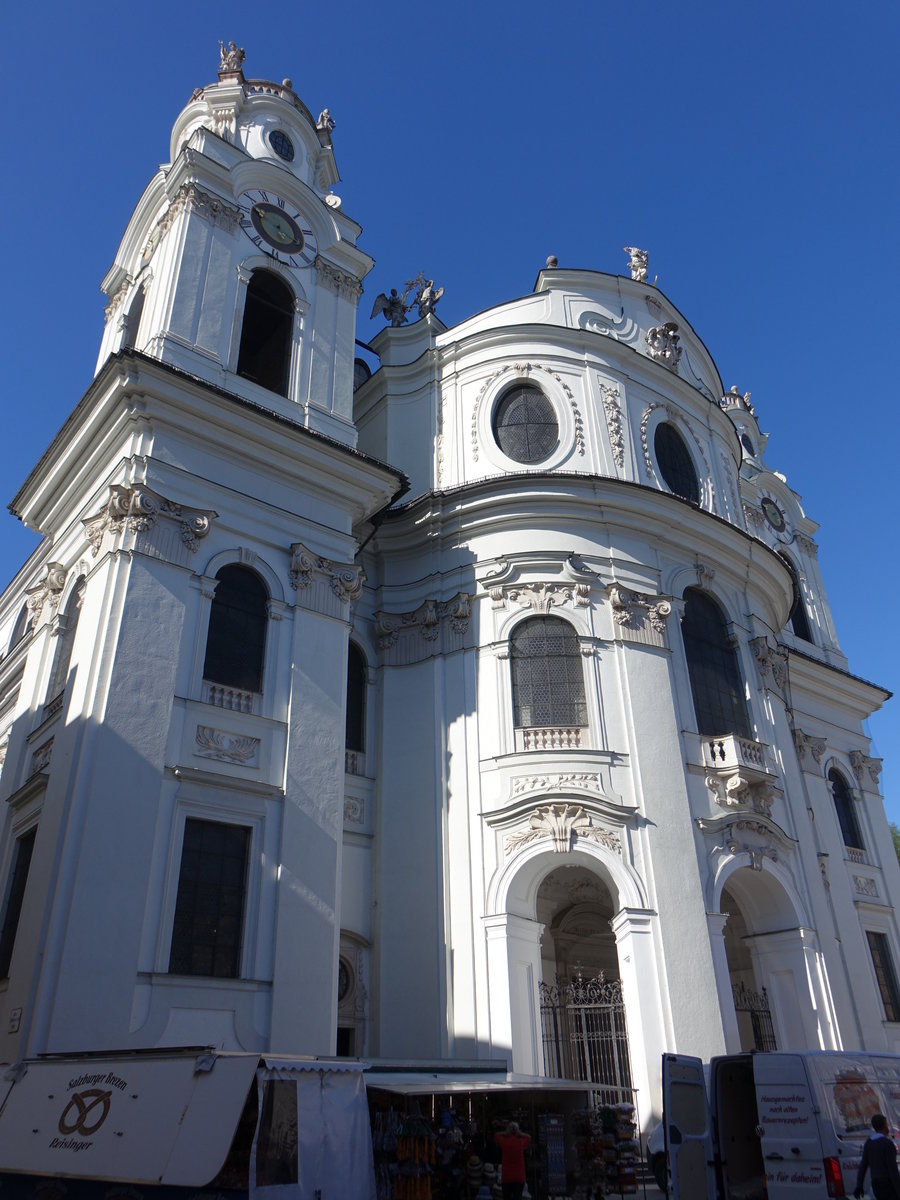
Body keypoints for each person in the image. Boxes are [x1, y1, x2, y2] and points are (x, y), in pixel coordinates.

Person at [855, 1113, 900, 1199]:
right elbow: (893, 1170)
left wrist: (859, 1186)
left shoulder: (869, 1143)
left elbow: (863, 1166)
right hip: (888, 1185)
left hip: (876, 1185)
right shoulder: (888, 1144)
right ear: (886, 1127)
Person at [495, 1121, 530, 1200]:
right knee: (518, 1197)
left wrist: (506, 1132)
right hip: (519, 1177)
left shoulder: (504, 1142)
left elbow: (496, 1135)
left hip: (507, 1177)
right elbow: (528, 1137)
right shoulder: (521, 1142)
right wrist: (519, 1133)